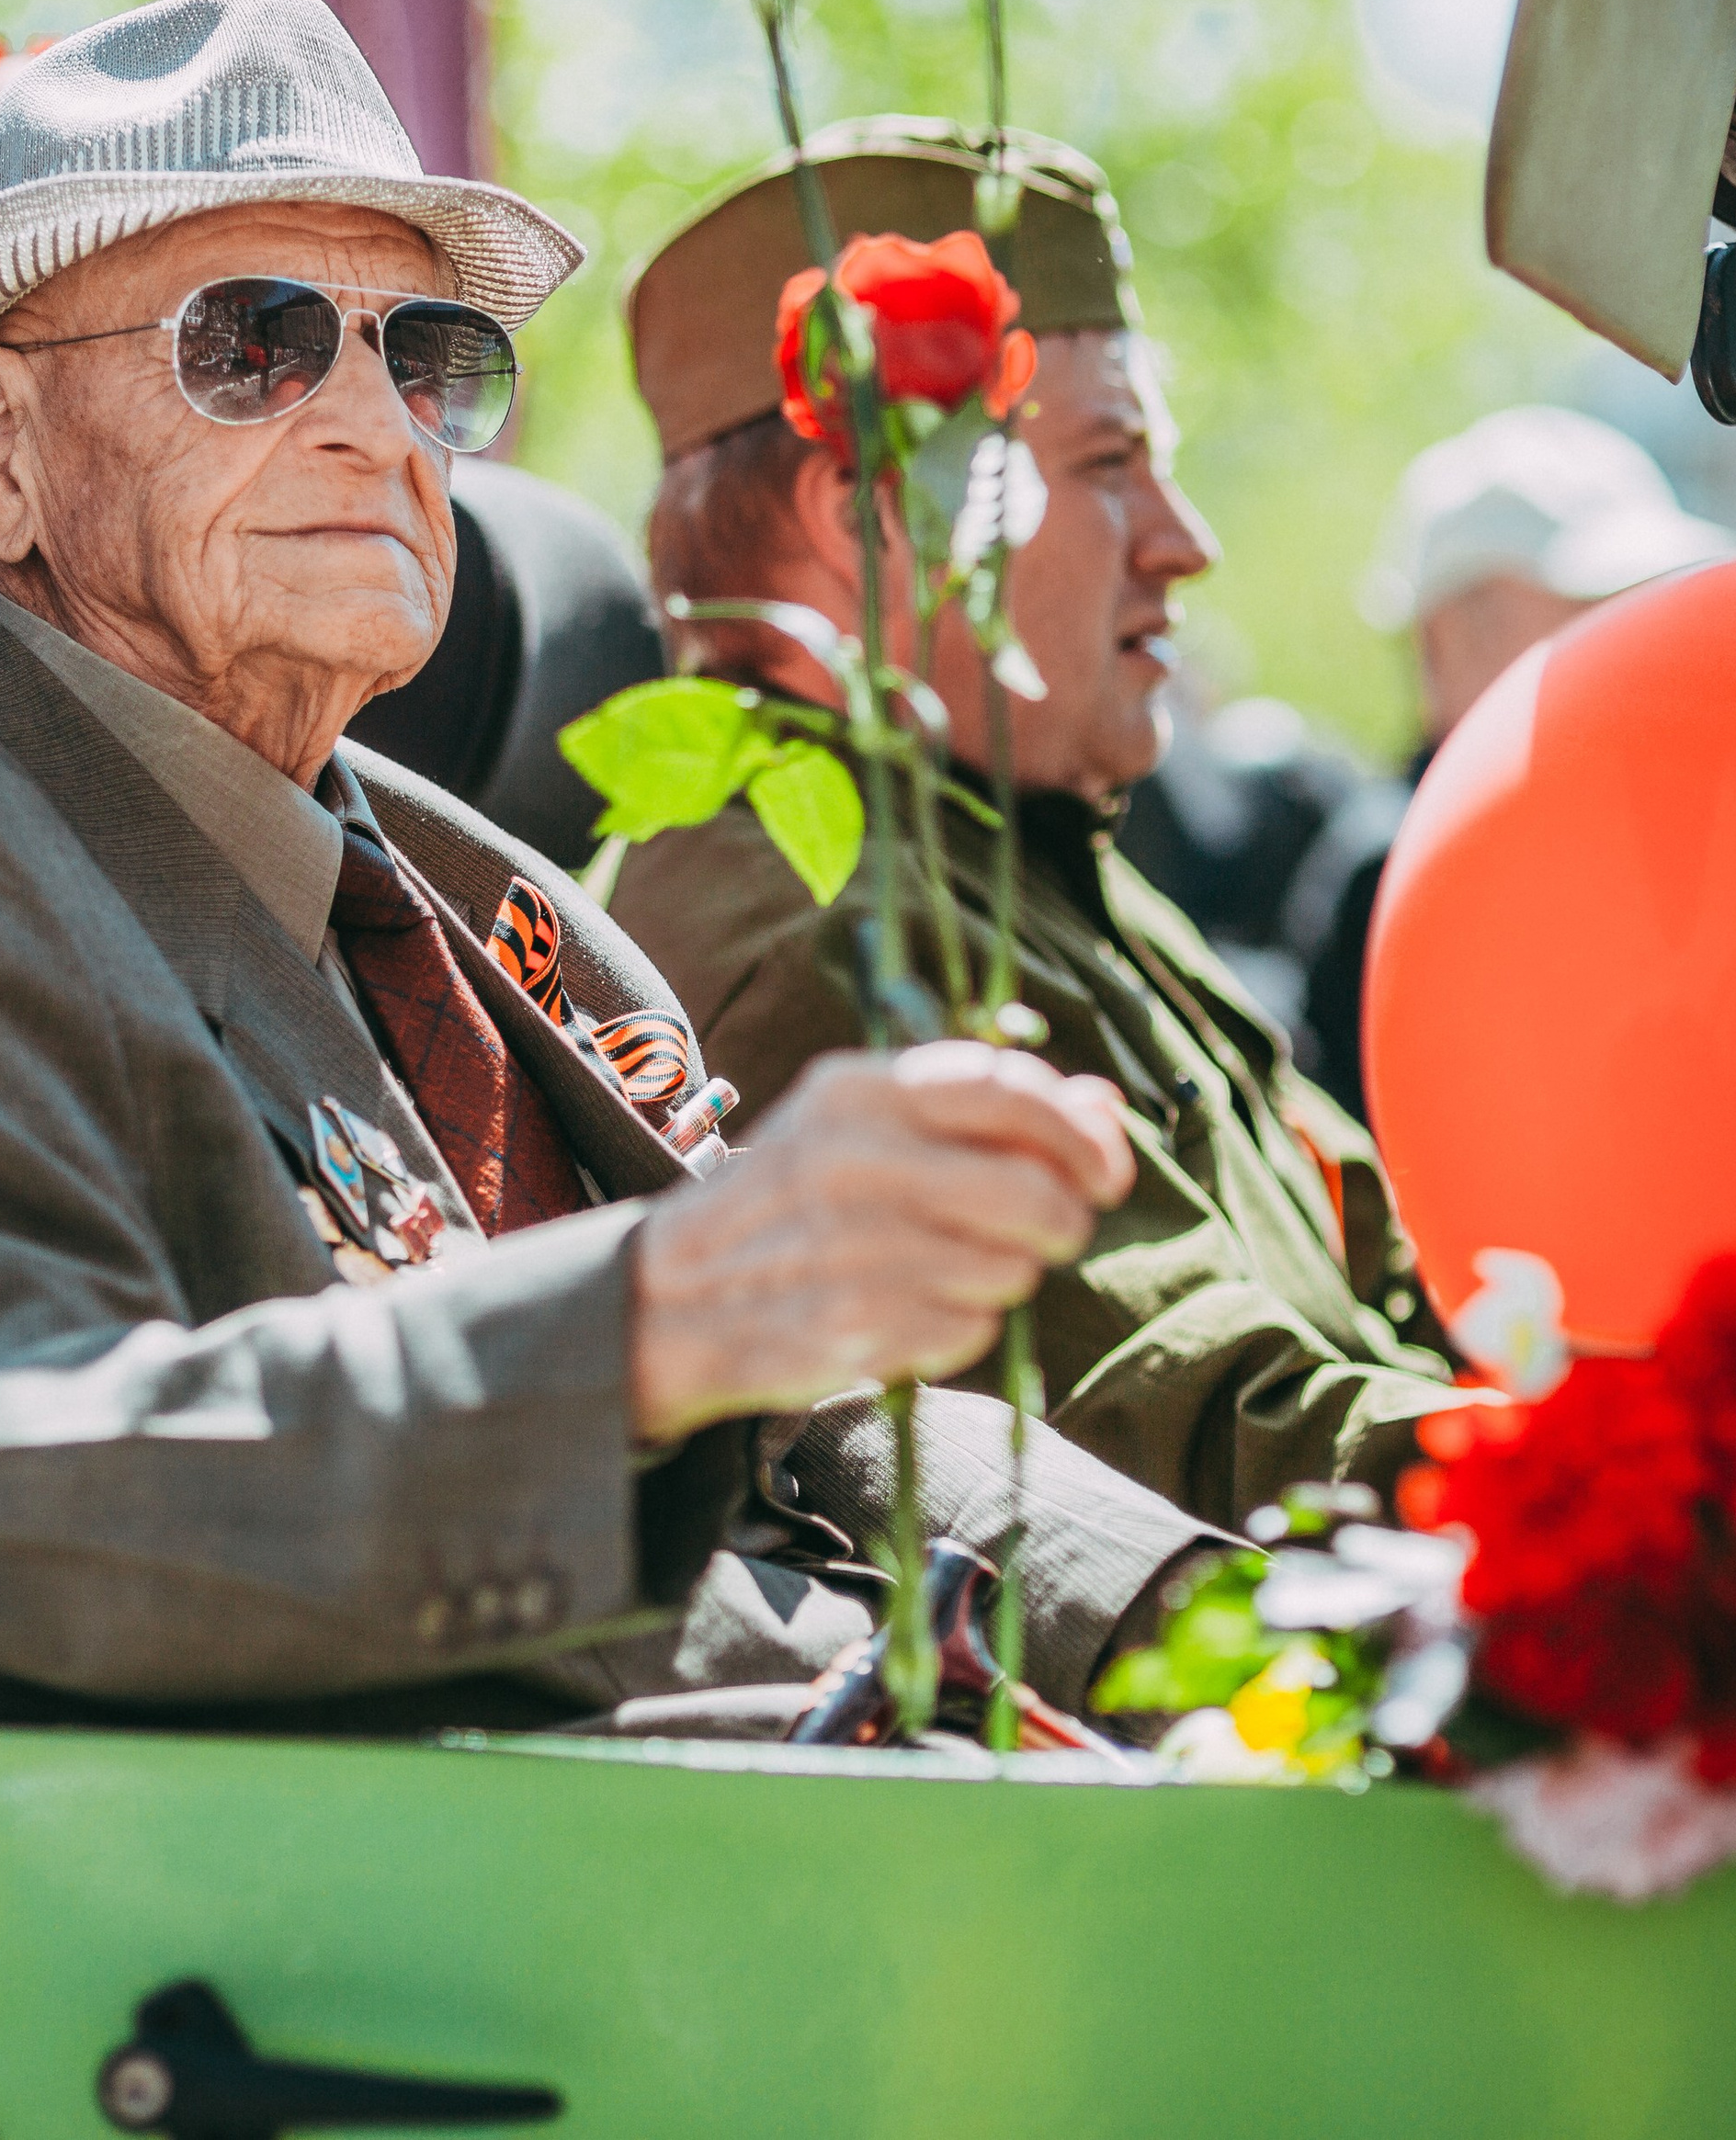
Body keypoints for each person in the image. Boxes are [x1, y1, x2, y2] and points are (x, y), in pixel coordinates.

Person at [0, 0, 1213, 1736]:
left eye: (424, 358)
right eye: (252, 342)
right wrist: (642, 1326)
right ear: (2, 448)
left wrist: (1224, 1628)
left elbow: (826, 1407)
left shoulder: (481, 890)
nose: (381, 428)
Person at [607, 119, 1474, 1534]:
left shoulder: (1030, 859)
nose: (1184, 540)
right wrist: (1631, 1473)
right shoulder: (829, 927)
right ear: (872, 516)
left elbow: (1391, 1266)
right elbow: (1216, 1450)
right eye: (1113, 463)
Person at [1296, 405, 1735, 1118]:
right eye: (1596, 601)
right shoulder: (1402, 869)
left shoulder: (1608, 826)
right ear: (1453, 639)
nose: (1642, 633)